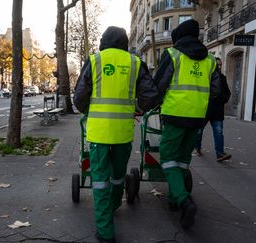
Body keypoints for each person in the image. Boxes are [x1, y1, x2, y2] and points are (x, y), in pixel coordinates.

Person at [73, 26, 157, 243]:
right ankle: (114, 205)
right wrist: (136, 108)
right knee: (118, 175)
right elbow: (150, 96)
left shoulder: (95, 60)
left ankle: (105, 231)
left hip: (99, 133)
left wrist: (90, 111)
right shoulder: (135, 62)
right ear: (125, 42)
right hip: (123, 133)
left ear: (104, 40)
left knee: (99, 180)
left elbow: (80, 97)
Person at [150, 19, 221, 229]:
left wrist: (149, 104)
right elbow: (216, 90)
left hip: (174, 116)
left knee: (168, 159)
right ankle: (174, 200)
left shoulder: (173, 55)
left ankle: (183, 199)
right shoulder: (209, 59)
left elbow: (159, 85)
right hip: (197, 118)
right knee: (182, 160)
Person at [194, 57, 232, 162]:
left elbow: (227, 92)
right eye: (217, 65)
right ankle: (197, 147)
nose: (219, 67)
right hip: (205, 109)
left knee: (218, 132)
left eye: (220, 65)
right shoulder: (206, 76)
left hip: (218, 110)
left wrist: (222, 100)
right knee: (199, 131)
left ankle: (220, 153)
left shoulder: (223, 78)